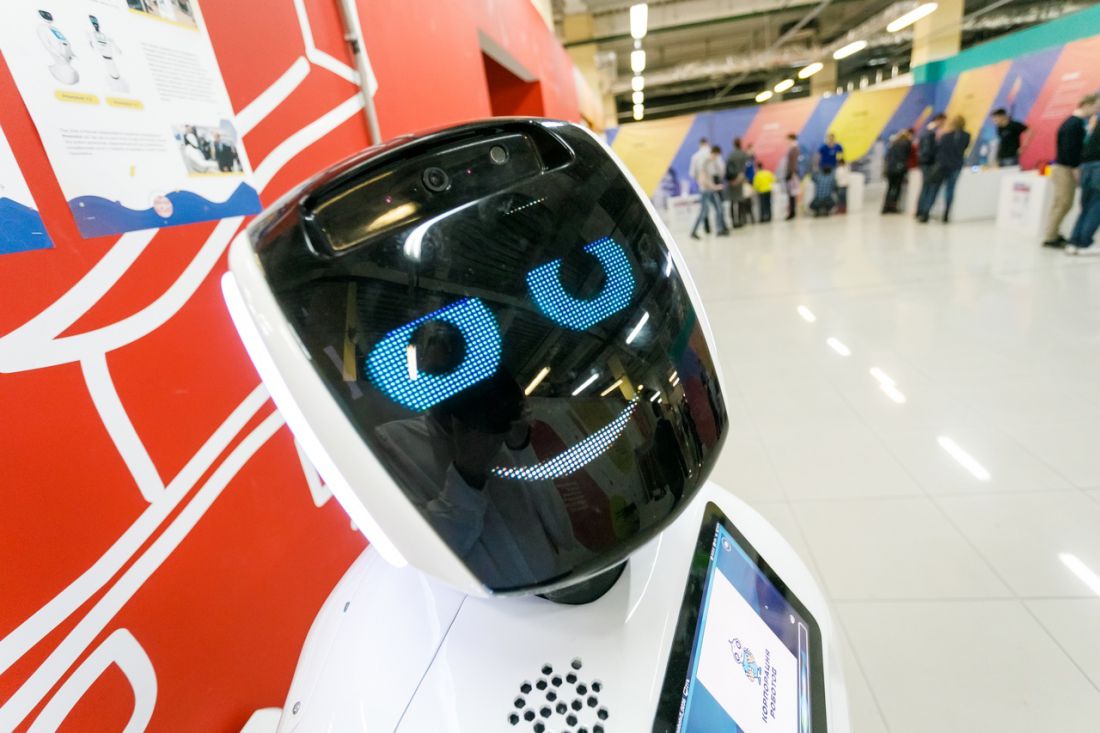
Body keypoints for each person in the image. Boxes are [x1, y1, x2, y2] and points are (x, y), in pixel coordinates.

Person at [1044, 94, 1100, 247]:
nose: (1096, 110)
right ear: (1086, 104)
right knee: (1063, 203)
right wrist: (1075, 170)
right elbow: (1069, 150)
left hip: (1067, 167)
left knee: (1064, 203)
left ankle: (1053, 234)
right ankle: (1051, 237)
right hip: (1065, 168)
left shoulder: (1074, 123)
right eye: (1095, 106)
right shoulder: (1074, 124)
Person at [918, 115, 971, 223]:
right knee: (950, 190)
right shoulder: (966, 136)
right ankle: (946, 214)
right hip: (956, 166)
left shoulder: (945, 136)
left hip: (942, 166)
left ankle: (926, 213)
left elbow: (938, 150)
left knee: (934, 189)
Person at [1066, 114, 1100, 255]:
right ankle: (1084, 243)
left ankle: (1074, 242)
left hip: (1086, 165)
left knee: (1086, 206)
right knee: (1096, 206)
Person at [691, 145, 729, 239]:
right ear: (715, 153)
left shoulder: (711, 162)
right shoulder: (705, 162)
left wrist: (713, 187)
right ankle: (694, 232)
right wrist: (714, 187)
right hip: (706, 191)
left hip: (710, 190)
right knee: (703, 212)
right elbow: (703, 179)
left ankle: (720, 229)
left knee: (719, 208)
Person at [915, 113, 947, 220]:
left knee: (925, 187)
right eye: (943, 121)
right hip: (929, 163)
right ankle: (924, 212)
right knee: (930, 188)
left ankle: (920, 211)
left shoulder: (926, 131)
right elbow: (929, 150)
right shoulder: (932, 133)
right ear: (939, 120)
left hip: (925, 163)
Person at [882, 129, 913, 213]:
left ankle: (885, 207)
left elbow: (887, 157)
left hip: (890, 169)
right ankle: (893, 207)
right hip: (899, 169)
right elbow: (908, 156)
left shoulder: (893, 144)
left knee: (890, 188)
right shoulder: (907, 143)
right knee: (897, 188)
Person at [688, 137, 712, 234]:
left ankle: (706, 227)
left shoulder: (695, 157)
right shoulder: (710, 154)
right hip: (711, 185)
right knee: (714, 208)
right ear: (707, 143)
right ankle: (699, 230)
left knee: (704, 208)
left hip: (702, 186)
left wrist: (699, 180)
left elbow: (692, 174)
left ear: (700, 144)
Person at [725, 138, 750, 228]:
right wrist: (740, 179)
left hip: (731, 181)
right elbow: (744, 168)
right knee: (740, 201)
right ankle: (741, 220)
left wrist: (731, 180)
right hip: (740, 180)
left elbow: (727, 168)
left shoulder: (730, 154)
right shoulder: (743, 154)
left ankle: (733, 221)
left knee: (732, 202)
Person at [781, 134, 803, 220]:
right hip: (791, 173)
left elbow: (794, 163)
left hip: (792, 174)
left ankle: (792, 212)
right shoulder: (792, 149)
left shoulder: (794, 149)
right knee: (791, 193)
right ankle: (792, 211)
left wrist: (791, 173)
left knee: (793, 193)